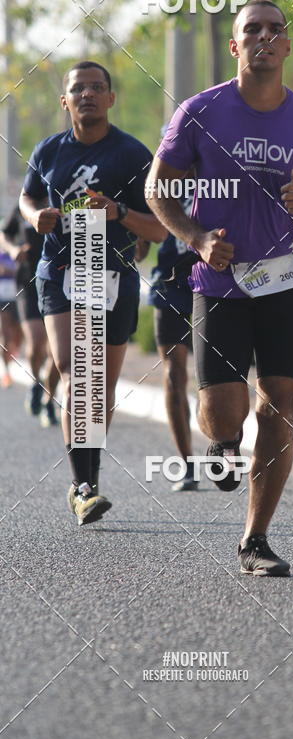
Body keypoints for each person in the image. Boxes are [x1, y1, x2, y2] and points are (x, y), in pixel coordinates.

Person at [146, 0, 293, 576]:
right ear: (234, 46)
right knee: (223, 412)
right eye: (250, 30)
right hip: (219, 282)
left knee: (279, 404)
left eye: (274, 30)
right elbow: (158, 190)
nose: (264, 37)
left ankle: (255, 540)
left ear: (287, 46)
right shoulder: (200, 111)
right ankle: (222, 444)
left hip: (283, 282)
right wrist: (197, 237)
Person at [19, 61, 166, 526]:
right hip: (61, 271)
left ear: (110, 98)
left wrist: (119, 211)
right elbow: (26, 198)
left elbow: (159, 229)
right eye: (77, 89)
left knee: (98, 388)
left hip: (114, 276)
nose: (87, 94)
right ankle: (83, 488)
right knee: (75, 372)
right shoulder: (47, 151)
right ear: (64, 101)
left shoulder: (133, 154)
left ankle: (88, 480)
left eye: (96, 88)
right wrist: (34, 216)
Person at [146, 193, 199, 491]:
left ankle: (223, 442)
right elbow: (145, 230)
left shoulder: (219, 168)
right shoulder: (163, 174)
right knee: (173, 375)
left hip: (214, 279)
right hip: (169, 284)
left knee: (213, 379)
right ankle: (188, 464)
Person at [0, 203, 60, 423]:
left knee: (57, 352)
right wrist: (14, 250)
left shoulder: (66, 193)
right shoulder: (24, 204)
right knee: (35, 342)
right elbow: (3, 234)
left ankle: (49, 399)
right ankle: (37, 382)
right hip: (28, 282)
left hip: (60, 282)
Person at [0, 249, 22, 387]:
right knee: (6, 334)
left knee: (18, 333)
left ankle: (13, 355)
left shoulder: (18, 248)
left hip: (19, 295)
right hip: (3, 295)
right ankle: (6, 371)